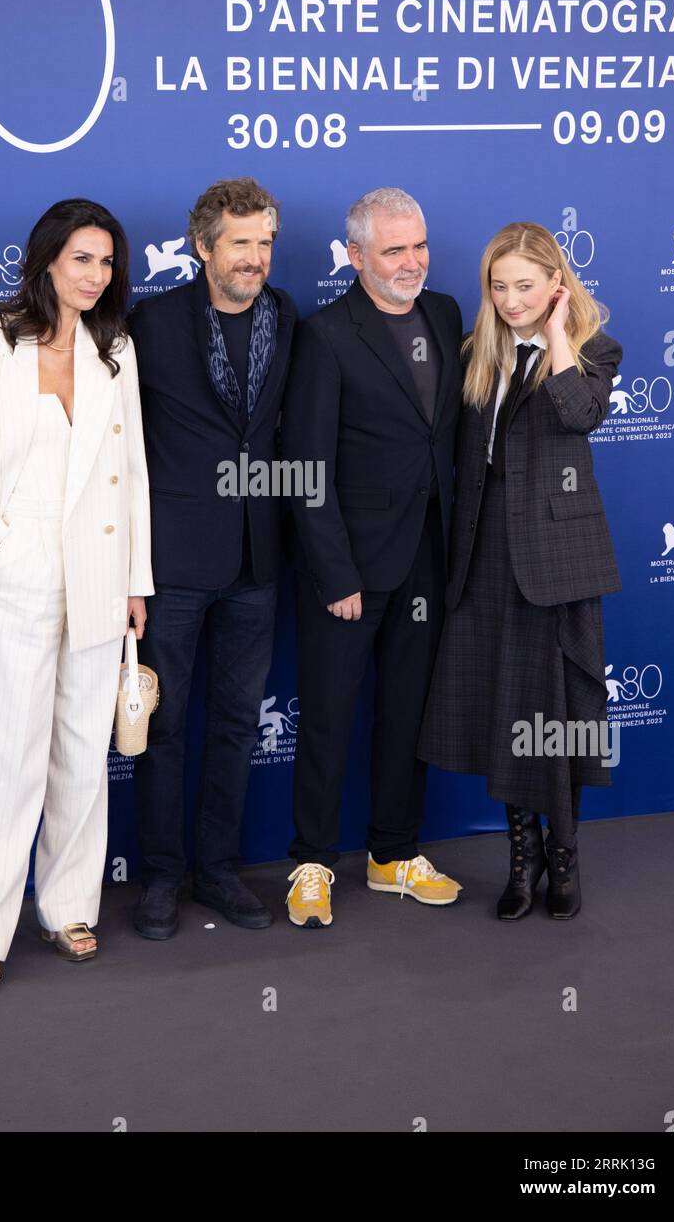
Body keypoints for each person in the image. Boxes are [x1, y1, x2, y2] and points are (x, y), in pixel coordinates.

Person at [0, 198, 152, 989]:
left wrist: (134, 580)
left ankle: (67, 907)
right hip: (16, 558)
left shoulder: (113, 346)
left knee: (82, 751)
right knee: (2, 749)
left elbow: (136, 479)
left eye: (107, 261)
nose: (96, 275)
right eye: (82, 258)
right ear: (47, 258)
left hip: (97, 561)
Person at [418, 221, 622, 920]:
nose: (509, 300)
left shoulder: (594, 349)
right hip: (483, 561)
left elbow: (578, 414)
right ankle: (521, 855)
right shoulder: (478, 353)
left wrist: (559, 331)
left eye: (525, 287)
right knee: (503, 711)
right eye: (497, 287)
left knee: (556, 716)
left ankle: (563, 856)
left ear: (554, 285)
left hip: (557, 562)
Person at [281, 187, 463, 928]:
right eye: (394, 250)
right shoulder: (325, 335)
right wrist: (335, 574)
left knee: (407, 714)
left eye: (418, 245)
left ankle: (392, 855)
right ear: (354, 257)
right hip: (350, 569)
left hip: (428, 557)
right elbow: (306, 467)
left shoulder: (447, 314)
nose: (411, 262)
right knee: (326, 716)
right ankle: (311, 864)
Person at [127, 177, 297, 938]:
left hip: (257, 561)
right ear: (202, 247)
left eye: (264, 242)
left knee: (235, 724)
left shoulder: (287, 317)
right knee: (162, 728)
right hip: (172, 562)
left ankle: (219, 870)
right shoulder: (150, 324)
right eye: (240, 243)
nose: (255, 257)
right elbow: (117, 451)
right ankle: (161, 876)